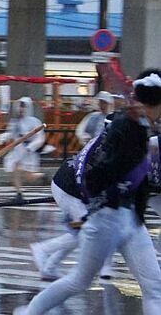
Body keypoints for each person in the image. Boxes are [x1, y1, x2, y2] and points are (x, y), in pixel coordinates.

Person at [15, 69, 161, 315]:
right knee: (80, 281)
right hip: (104, 216)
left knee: (153, 285)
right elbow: (95, 174)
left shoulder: (145, 130)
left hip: (129, 218)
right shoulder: (124, 128)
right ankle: (30, 312)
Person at [29, 148, 115, 281]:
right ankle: (44, 249)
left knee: (79, 230)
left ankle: (49, 266)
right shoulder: (116, 145)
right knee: (86, 230)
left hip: (72, 185)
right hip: (69, 188)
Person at [0, 96, 47, 201]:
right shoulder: (15, 121)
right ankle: (19, 193)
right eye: (20, 106)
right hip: (18, 150)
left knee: (28, 176)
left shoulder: (34, 121)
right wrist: (2, 137)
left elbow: (40, 138)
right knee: (15, 169)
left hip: (29, 151)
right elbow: (10, 133)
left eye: (24, 106)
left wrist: (31, 147)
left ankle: (41, 176)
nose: (21, 109)